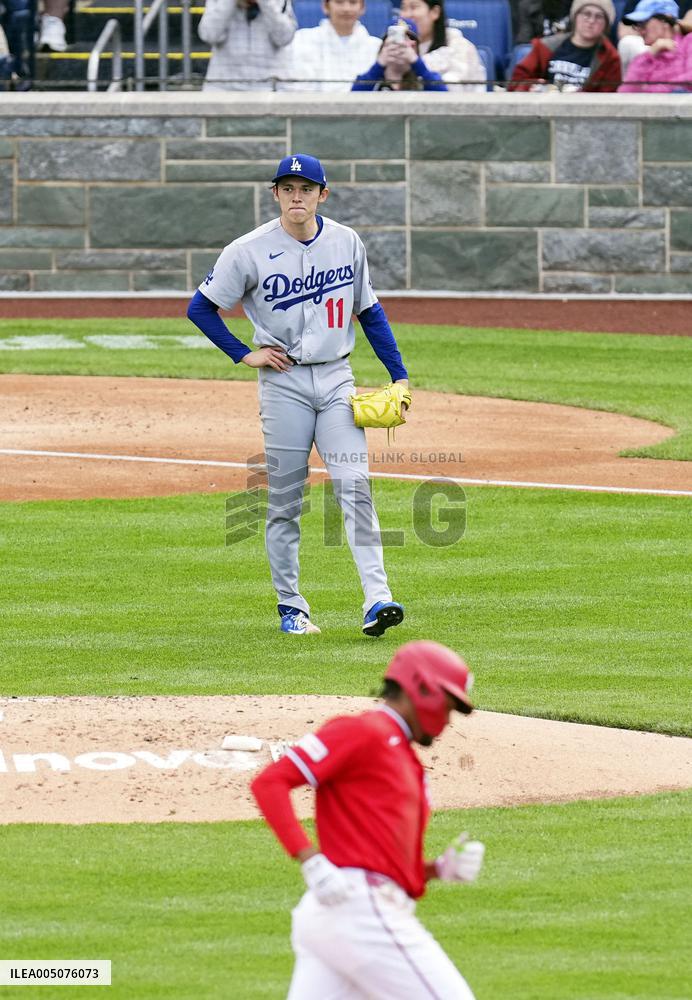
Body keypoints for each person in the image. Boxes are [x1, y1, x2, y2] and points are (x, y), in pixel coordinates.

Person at [186, 153, 408, 638]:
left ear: (322, 194)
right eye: (287, 188)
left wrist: (399, 375)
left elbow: (369, 311)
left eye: (306, 189)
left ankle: (378, 599)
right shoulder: (247, 250)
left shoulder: (346, 241)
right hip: (283, 384)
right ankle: (291, 606)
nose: (296, 197)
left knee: (355, 486)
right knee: (286, 499)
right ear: (275, 194)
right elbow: (200, 308)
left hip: (337, 379)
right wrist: (244, 354)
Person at [251, 639, 485, 998]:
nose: (446, 721)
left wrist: (436, 869)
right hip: (361, 912)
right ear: (422, 690)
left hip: (333, 915)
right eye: (447, 707)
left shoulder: (403, 756)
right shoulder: (363, 731)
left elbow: (377, 857)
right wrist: (310, 859)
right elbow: (270, 783)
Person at [510, 0, 621, 90]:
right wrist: (533, 86)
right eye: (586, 14)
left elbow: (608, 98)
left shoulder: (610, 58)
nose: (591, 21)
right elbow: (516, 81)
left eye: (599, 17)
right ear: (575, 16)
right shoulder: (546, 46)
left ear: (606, 24)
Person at [280, 0, 381, 90]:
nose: (346, 9)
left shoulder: (377, 47)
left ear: (362, 7)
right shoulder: (301, 40)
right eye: (339, 2)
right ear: (325, 6)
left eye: (353, 2)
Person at [198, 0, 297, 91]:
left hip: (270, 86)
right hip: (223, 86)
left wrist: (265, 3)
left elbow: (285, 38)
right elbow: (209, 35)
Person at [398, 0, 487, 89]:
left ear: (435, 12)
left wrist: (419, 66)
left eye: (414, 7)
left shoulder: (460, 47)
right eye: (403, 8)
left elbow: (451, 90)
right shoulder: (395, 46)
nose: (407, 15)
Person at [352, 16, 448, 90]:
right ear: (383, 46)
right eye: (394, 42)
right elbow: (354, 97)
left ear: (415, 48)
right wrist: (380, 64)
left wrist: (416, 62)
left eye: (407, 43)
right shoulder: (372, 79)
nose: (400, 47)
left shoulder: (424, 79)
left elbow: (443, 95)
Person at [618, 0, 692, 89]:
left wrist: (648, 91)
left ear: (665, 21)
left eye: (643, 24)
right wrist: (650, 54)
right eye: (637, 25)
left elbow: (689, 80)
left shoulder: (689, 42)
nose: (640, 31)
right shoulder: (647, 56)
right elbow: (626, 91)